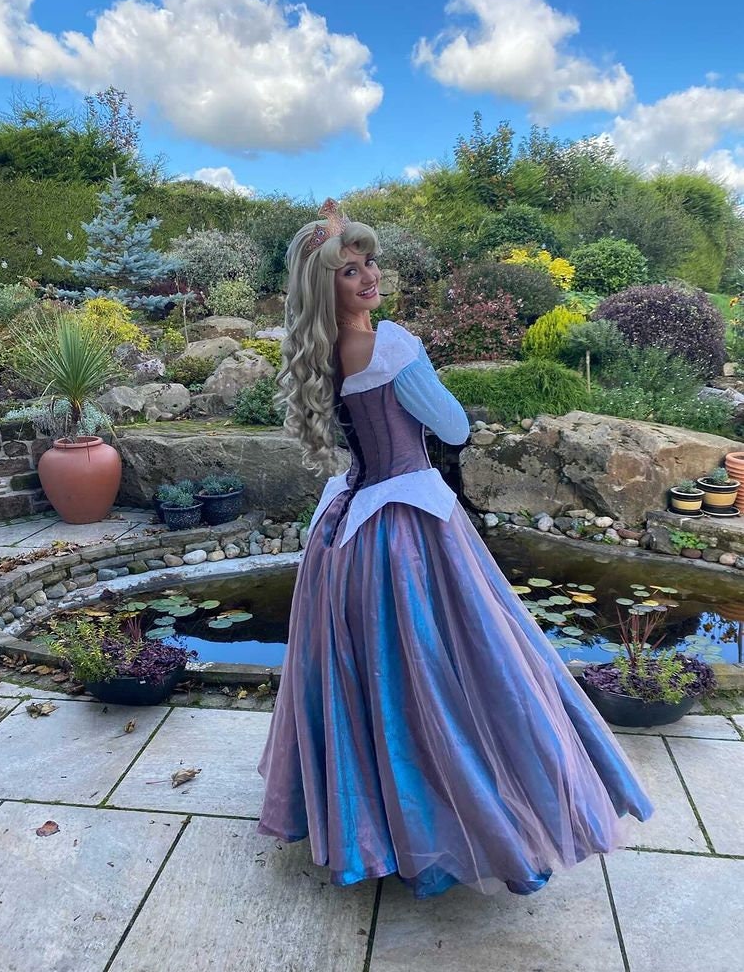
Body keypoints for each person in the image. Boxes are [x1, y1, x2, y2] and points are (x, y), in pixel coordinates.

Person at [256, 199, 653, 900]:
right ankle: (470, 817)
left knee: (372, 678)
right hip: (408, 528)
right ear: (325, 285)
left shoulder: (322, 352)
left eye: (369, 262)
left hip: (346, 526)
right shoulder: (391, 346)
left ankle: (375, 819)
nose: (369, 276)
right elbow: (454, 427)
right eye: (349, 270)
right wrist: (422, 373)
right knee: (464, 669)